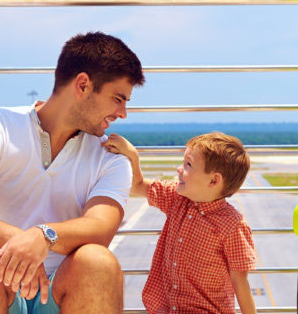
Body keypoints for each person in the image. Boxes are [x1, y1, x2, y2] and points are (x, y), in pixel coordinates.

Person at [0, 32, 145, 314]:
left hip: (62, 288)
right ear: (83, 85)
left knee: (97, 261)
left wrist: (42, 236)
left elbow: (101, 228)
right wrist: (21, 245)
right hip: (2, 283)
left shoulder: (111, 156)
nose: (123, 113)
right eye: (117, 99)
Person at [102, 132, 257, 314]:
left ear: (213, 180)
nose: (178, 169)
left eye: (188, 165)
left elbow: (240, 281)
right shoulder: (177, 198)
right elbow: (138, 186)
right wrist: (132, 155)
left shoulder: (232, 224)